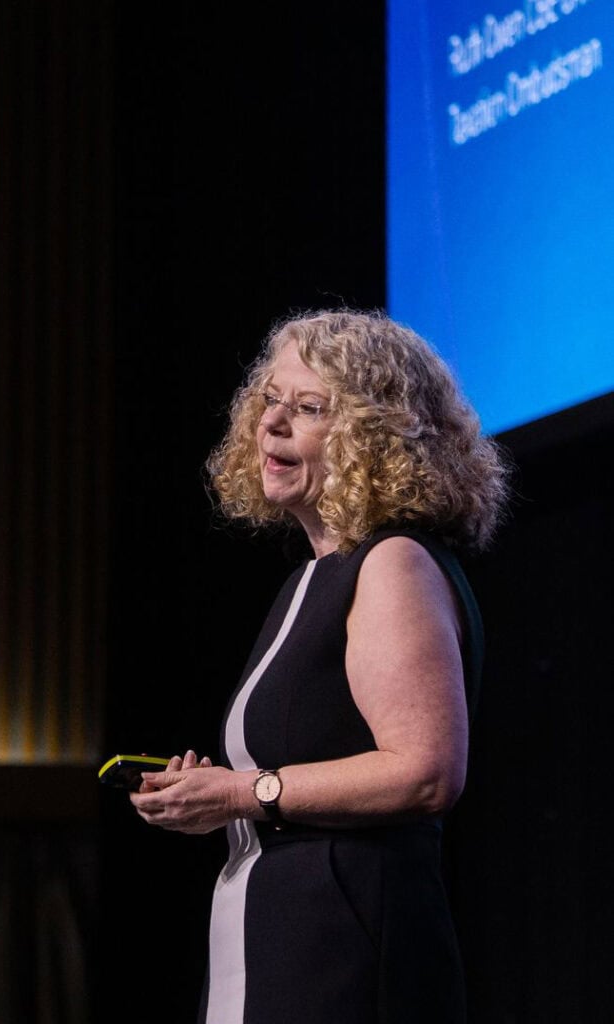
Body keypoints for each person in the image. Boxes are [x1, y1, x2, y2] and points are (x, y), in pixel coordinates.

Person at [130, 308, 508, 1023]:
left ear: (374, 438)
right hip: (277, 936)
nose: (270, 424)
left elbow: (424, 771)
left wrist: (241, 792)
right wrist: (212, 790)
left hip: (348, 954)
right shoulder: (314, 578)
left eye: (306, 408)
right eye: (269, 400)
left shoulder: (393, 564)